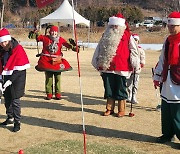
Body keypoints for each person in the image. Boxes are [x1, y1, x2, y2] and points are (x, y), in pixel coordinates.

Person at [92, 13, 139, 117]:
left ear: (121, 25)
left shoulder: (127, 36)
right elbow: (99, 48)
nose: (114, 27)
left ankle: (121, 109)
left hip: (122, 67)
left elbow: (134, 50)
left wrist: (135, 62)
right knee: (109, 88)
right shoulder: (105, 34)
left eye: (116, 25)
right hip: (107, 66)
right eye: (112, 25)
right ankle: (109, 108)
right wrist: (95, 61)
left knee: (121, 88)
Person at [153, 11, 180, 143]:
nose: (170, 28)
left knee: (177, 110)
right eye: (169, 26)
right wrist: (157, 76)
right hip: (167, 77)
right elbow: (162, 59)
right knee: (166, 107)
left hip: (178, 79)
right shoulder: (168, 41)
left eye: (173, 26)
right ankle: (167, 133)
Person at [0, 28, 30, 132]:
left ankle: (17, 122)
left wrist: (10, 81)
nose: (3, 44)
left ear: (8, 40)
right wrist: (1, 80)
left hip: (18, 77)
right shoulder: (2, 51)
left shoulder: (18, 49)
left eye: (5, 41)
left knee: (15, 100)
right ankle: (10, 118)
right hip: (6, 76)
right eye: (1, 42)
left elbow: (20, 69)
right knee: (7, 98)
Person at [35, 25, 77, 100]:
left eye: (55, 31)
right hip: (47, 61)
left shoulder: (60, 39)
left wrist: (74, 47)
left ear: (57, 32)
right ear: (50, 32)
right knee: (49, 78)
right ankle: (49, 94)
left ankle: (58, 94)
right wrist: (36, 32)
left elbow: (67, 45)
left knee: (58, 78)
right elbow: (38, 38)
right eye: (52, 31)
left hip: (57, 61)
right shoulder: (45, 38)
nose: (54, 33)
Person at [127, 34, 145, 104]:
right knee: (128, 83)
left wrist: (139, 65)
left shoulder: (140, 50)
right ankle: (129, 95)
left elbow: (142, 60)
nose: (135, 41)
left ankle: (134, 96)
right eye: (134, 40)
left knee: (135, 83)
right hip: (129, 70)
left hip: (136, 70)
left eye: (136, 40)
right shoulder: (128, 49)